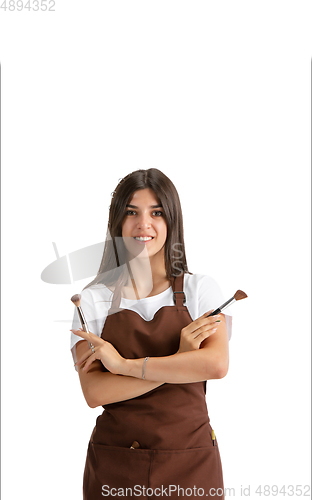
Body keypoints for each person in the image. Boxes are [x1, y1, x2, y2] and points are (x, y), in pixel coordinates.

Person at [70, 168, 232, 500]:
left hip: (191, 466)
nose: (144, 224)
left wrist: (123, 365)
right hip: (117, 466)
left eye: (156, 212)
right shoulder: (92, 299)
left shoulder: (201, 290)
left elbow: (215, 366)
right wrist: (181, 361)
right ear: (117, 223)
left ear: (172, 221)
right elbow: (94, 392)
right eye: (132, 212)